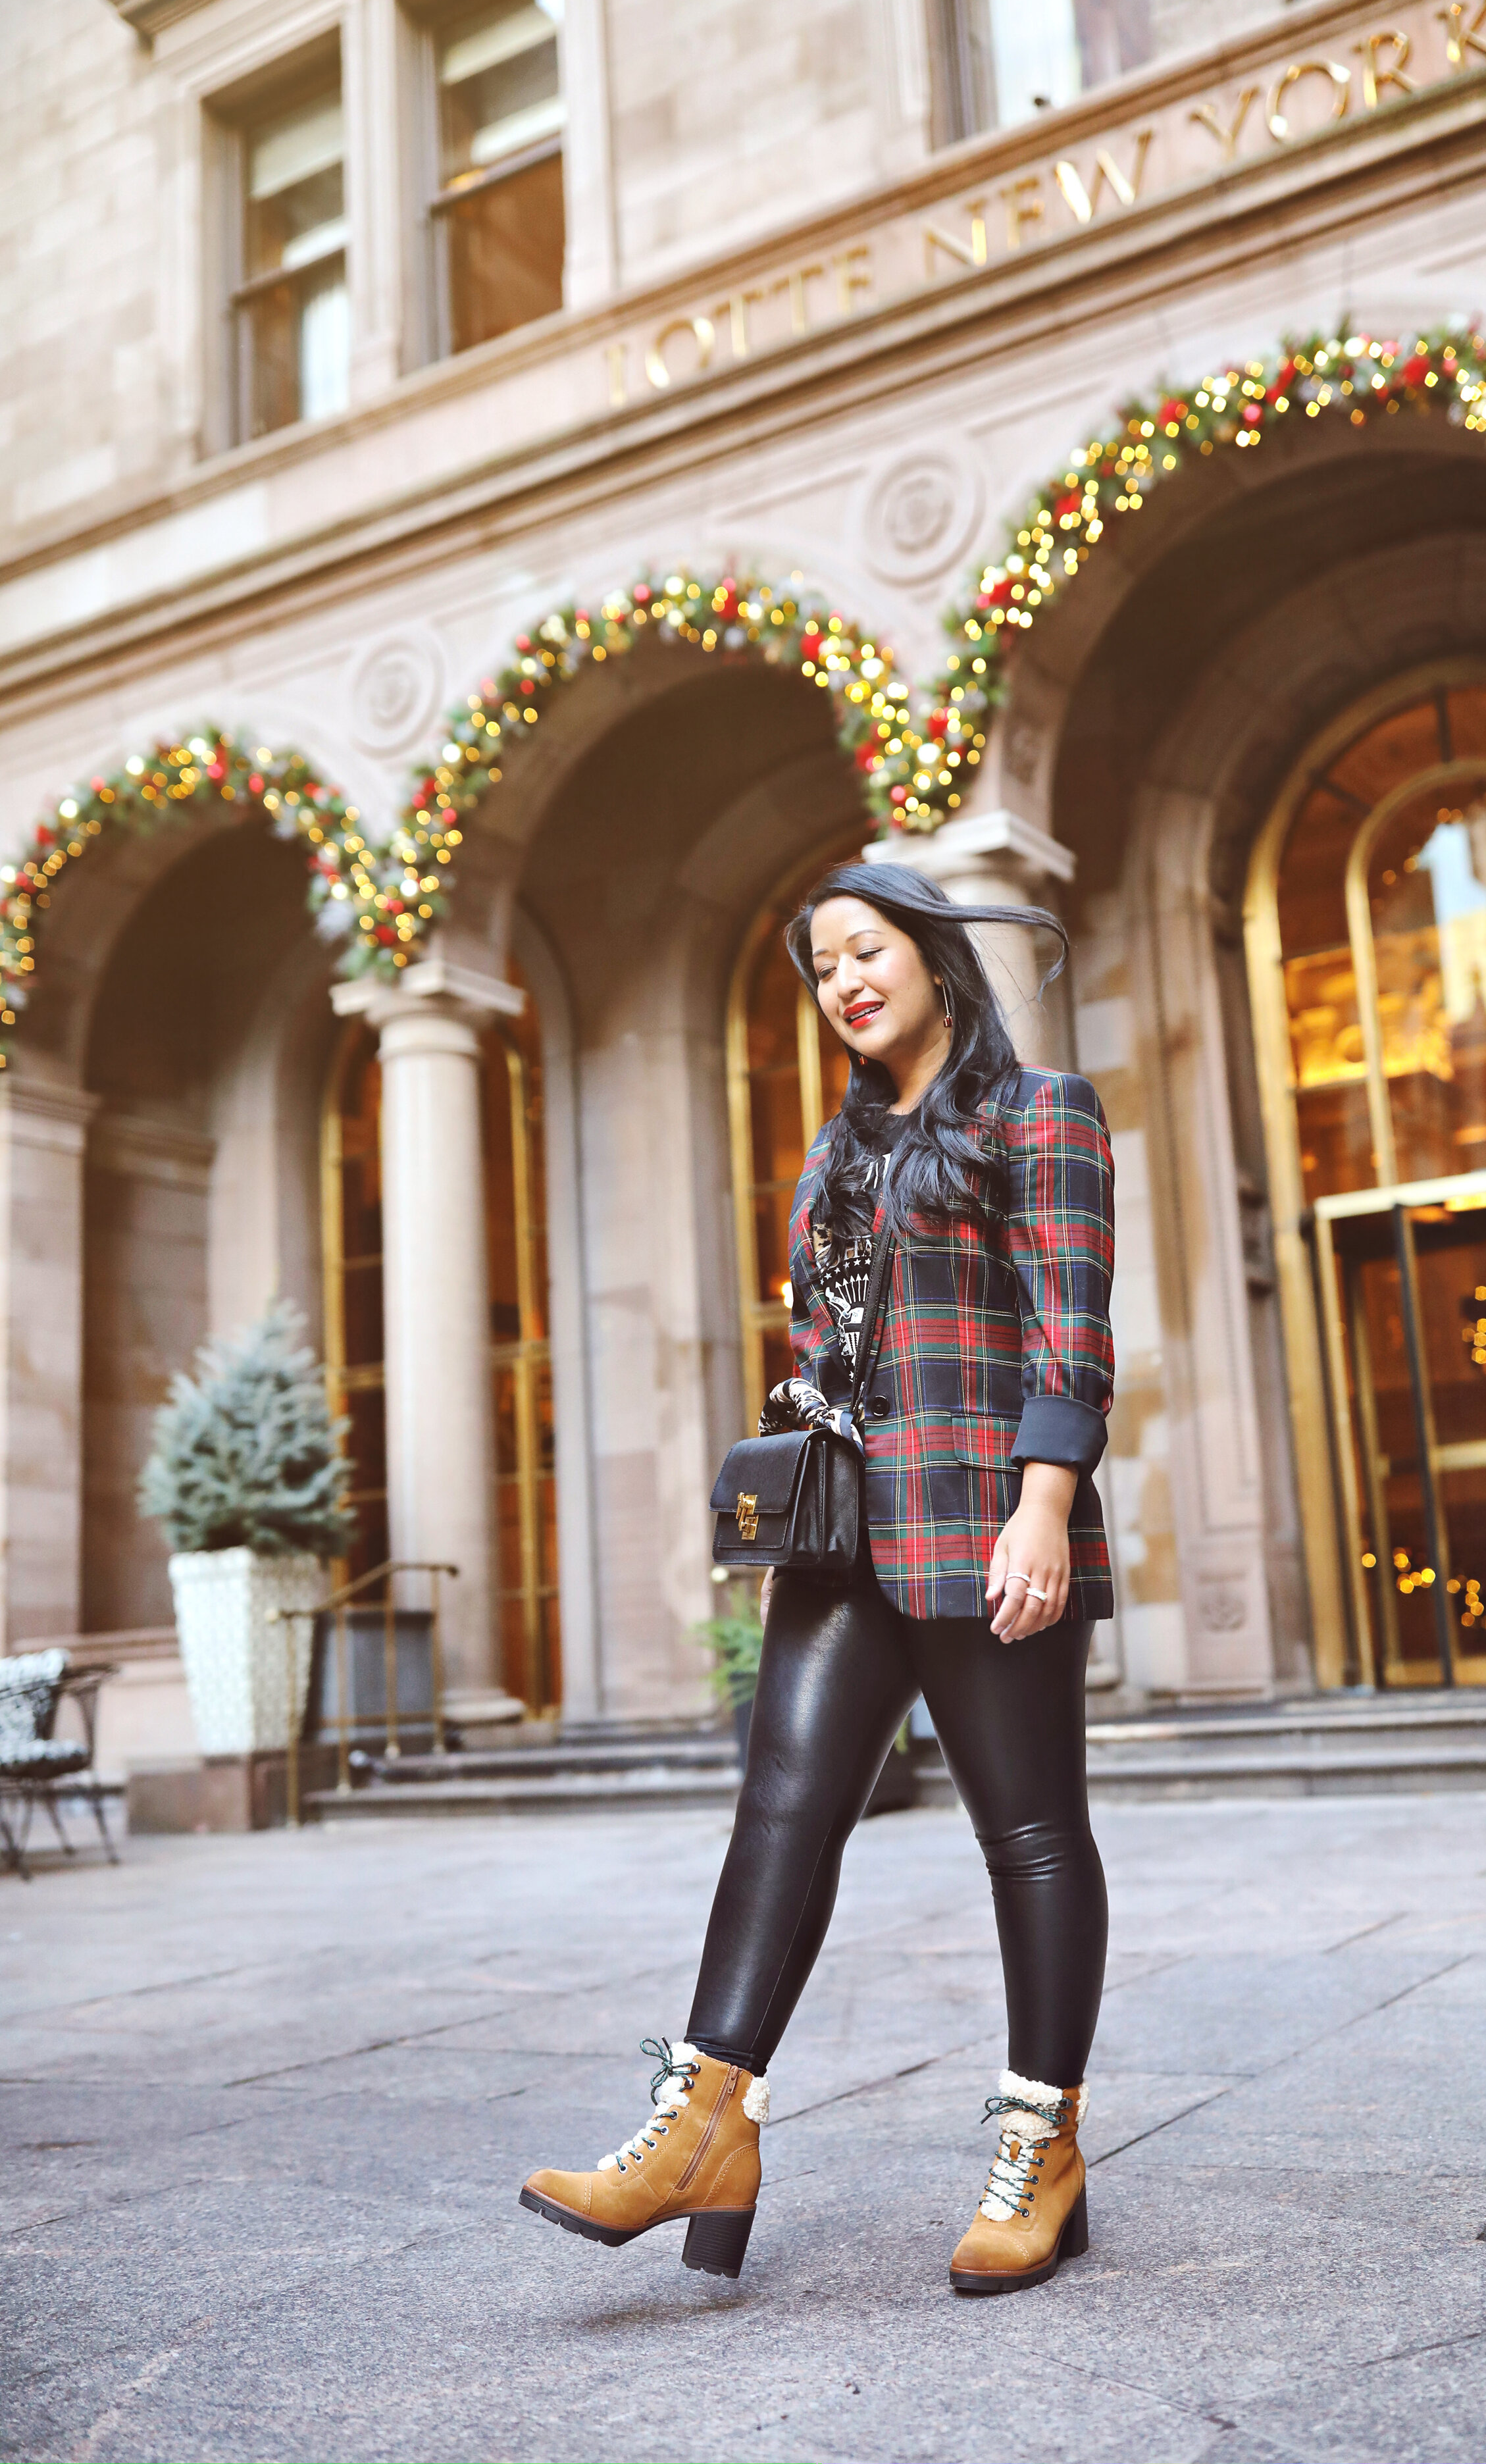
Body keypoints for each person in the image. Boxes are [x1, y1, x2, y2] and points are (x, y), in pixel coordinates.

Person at [521, 861, 1114, 2295]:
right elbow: (825, 1345)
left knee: (1025, 1834)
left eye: (867, 951)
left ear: (926, 955)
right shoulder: (834, 1150)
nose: (846, 981)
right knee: (777, 1816)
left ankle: (1042, 2144)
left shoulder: (1039, 1113)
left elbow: (1070, 1330)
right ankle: (703, 2129)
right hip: (847, 1538)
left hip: (985, 1522)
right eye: (823, 968)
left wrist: (1044, 1507)